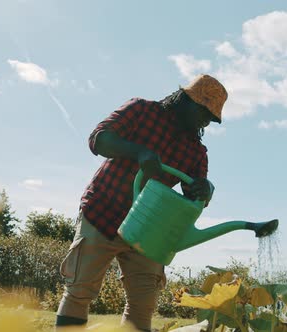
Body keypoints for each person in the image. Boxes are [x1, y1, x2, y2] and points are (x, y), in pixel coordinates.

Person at [55, 74, 228, 331]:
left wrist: (206, 189)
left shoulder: (196, 151)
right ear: (186, 100)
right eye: (204, 112)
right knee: (80, 292)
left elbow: (194, 197)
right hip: (102, 214)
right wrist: (138, 152)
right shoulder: (141, 111)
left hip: (147, 230)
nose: (206, 121)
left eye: (211, 119)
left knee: (142, 305)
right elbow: (98, 139)